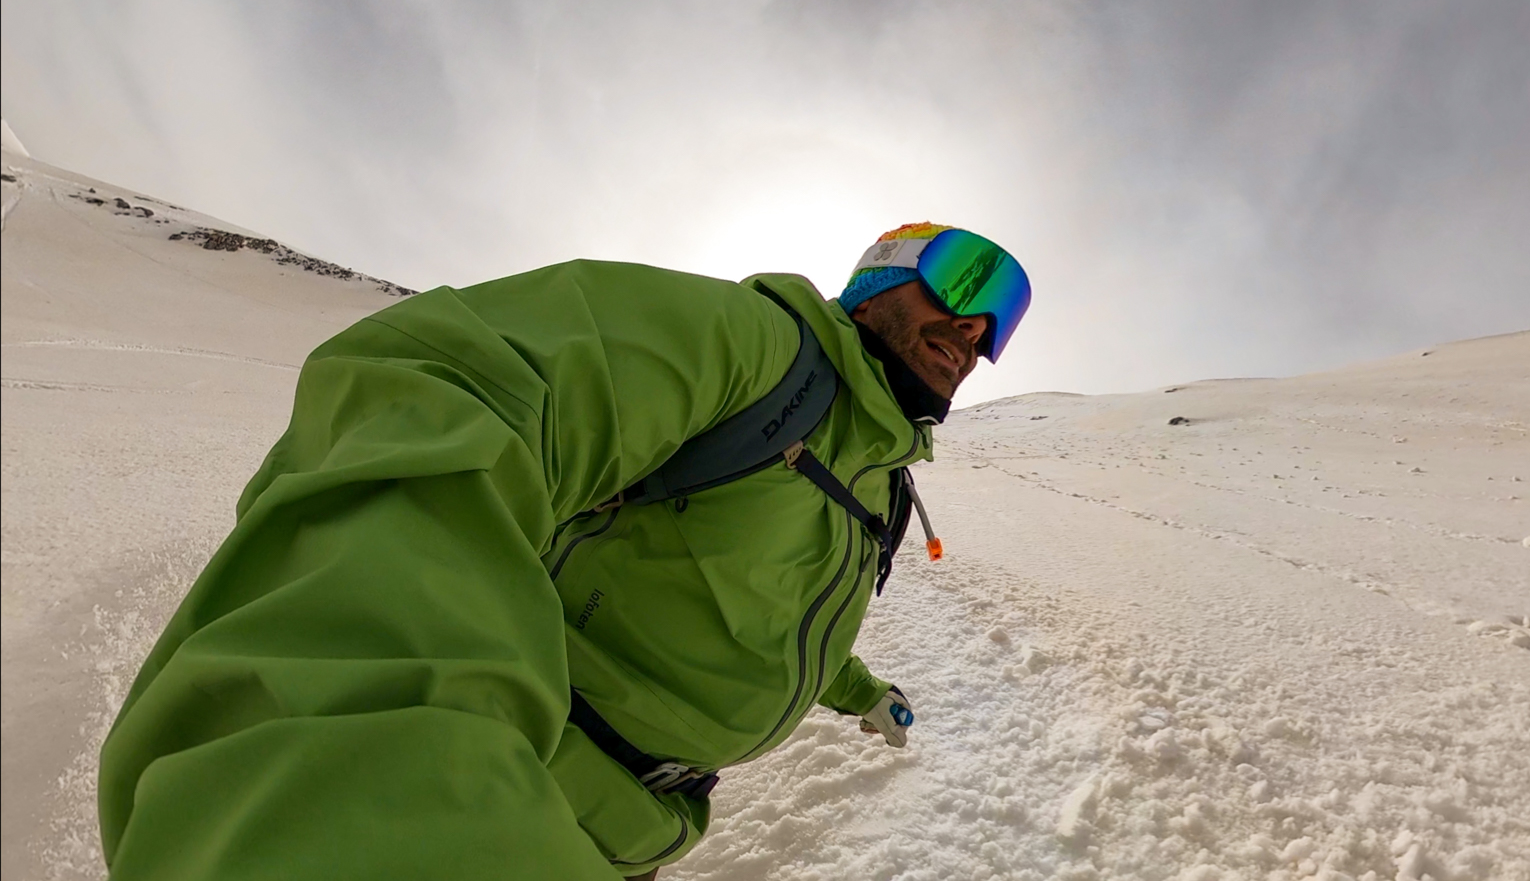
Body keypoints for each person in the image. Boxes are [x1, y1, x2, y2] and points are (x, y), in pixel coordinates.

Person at [97, 221, 1031, 880]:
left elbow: (779, 618)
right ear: (878, 277)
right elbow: (454, 389)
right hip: (505, 779)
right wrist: (375, 747)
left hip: (642, 835)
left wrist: (863, 692)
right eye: (964, 281)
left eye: (1000, 320)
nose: (975, 328)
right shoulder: (759, 350)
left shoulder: (883, 483)